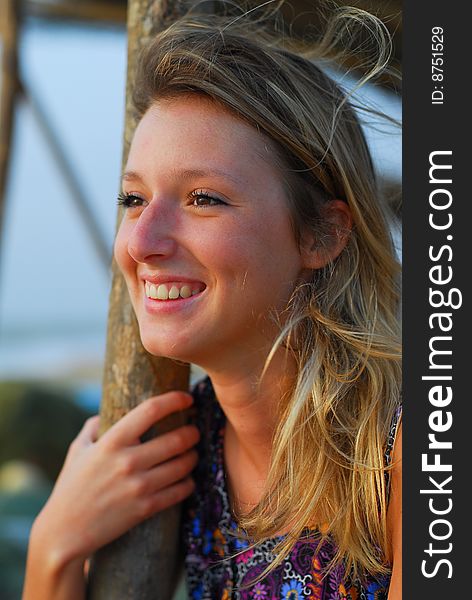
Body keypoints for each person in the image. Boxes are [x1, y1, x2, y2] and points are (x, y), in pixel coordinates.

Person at [23, 6, 402, 600]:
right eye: (132, 198)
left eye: (203, 198)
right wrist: (53, 548)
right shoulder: (183, 451)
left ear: (322, 235)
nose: (142, 242)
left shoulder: (413, 447)